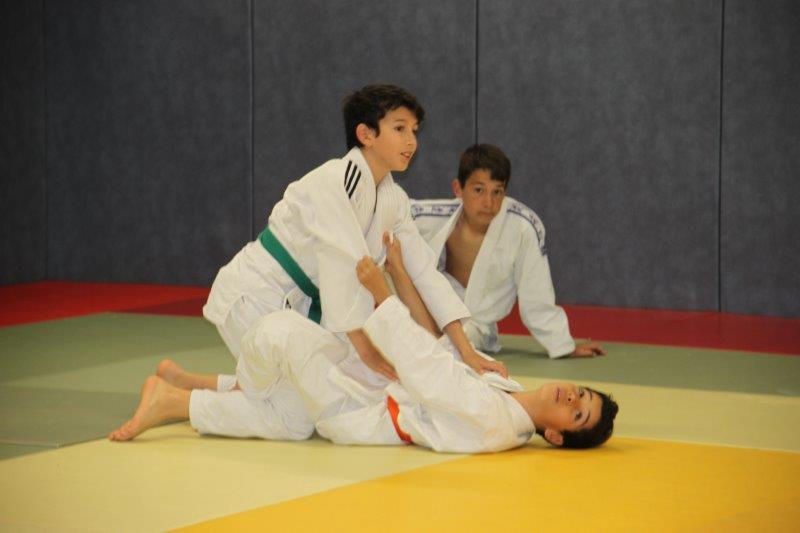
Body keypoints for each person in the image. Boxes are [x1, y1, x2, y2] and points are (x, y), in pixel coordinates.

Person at [110, 242, 618, 452]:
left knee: (280, 334)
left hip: (359, 411)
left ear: (555, 436)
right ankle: (181, 393)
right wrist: (397, 273)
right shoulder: (504, 389)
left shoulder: (496, 422)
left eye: (577, 414)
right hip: (375, 383)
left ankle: (188, 397)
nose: (572, 398)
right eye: (582, 394)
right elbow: (434, 345)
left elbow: (426, 369)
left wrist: (382, 294)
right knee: (289, 414)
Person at [202, 84, 505, 381]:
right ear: (366, 134)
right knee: (299, 402)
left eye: (414, 131)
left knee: (334, 392)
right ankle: (185, 394)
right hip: (256, 294)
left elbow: (425, 273)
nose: (411, 141)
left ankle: (187, 385)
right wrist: (366, 352)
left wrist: (466, 350)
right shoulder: (335, 180)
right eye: (400, 128)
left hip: (302, 308)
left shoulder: (394, 199)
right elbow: (342, 265)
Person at [411, 144, 605, 359]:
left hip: (475, 326)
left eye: (497, 192)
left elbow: (536, 295)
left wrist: (563, 346)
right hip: (430, 312)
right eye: (478, 190)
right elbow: (392, 209)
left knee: (446, 347)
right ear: (458, 189)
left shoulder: (523, 227)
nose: (488, 202)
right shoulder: (429, 217)